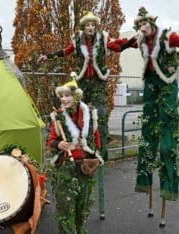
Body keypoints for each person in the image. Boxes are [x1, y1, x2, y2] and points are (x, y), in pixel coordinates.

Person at [38, 11, 136, 219]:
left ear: (96, 26)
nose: (91, 28)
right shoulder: (77, 40)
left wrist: (132, 42)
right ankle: (79, 145)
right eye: (88, 25)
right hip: (83, 82)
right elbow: (66, 51)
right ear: (83, 27)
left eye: (93, 25)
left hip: (98, 82)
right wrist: (49, 56)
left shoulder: (103, 38)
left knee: (99, 113)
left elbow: (117, 47)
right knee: (80, 113)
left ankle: (101, 150)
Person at [129, 7, 179, 202]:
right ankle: (144, 181)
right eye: (139, 25)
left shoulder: (167, 36)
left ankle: (170, 186)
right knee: (148, 133)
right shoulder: (140, 40)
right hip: (150, 83)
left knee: (168, 137)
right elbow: (119, 45)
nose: (142, 27)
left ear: (152, 24)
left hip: (166, 84)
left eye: (144, 24)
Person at [48, 76, 104, 234]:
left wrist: (96, 157)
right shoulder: (58, 117)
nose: (64, 99)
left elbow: (96, 140)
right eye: (62, 96)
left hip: (85, 168)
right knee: (65, 210)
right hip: (66, 167)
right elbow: (51, 140)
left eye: (67, 95)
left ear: (77, 97)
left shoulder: (89, 115)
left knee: (83, 207)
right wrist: (58, 144)